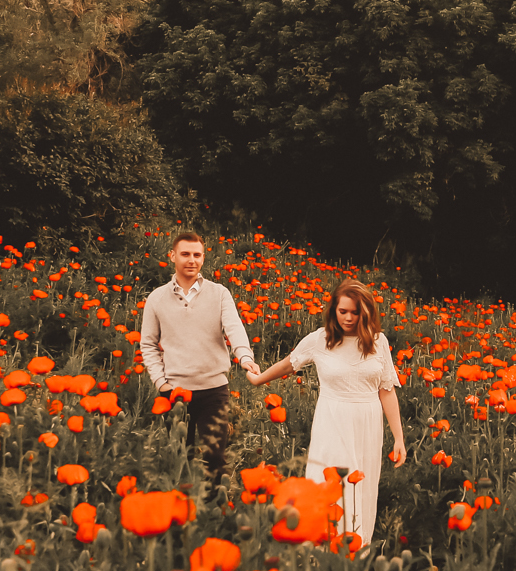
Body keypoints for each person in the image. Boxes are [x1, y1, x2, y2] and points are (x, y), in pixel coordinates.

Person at [246, 278, 405, 551]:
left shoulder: (378, 342)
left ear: (365, 313)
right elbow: (288, 365)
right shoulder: (321, 339)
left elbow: (387, 391)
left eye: (355, 312)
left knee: (361, 487)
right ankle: (319, 550)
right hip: (332, 419)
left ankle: (355, 552)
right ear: (334, 310)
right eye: (343, 311)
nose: (348, 317)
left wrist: (399, 438)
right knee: (327, 482)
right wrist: (258, 379)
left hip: (367, 422)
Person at [138, 229, 256, 476]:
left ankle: (214, 510)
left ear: (203, 258)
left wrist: (244, 357)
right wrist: (161, 383)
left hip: (214, 390)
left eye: (197, 255)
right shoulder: (157, 298)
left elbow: (234, 327)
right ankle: (184, 510)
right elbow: (148, 345)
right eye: (185, 254)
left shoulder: (219, 293)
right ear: (172, 256)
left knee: (215, 460)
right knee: (179, 459)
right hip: (177, 392)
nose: (191, 260)